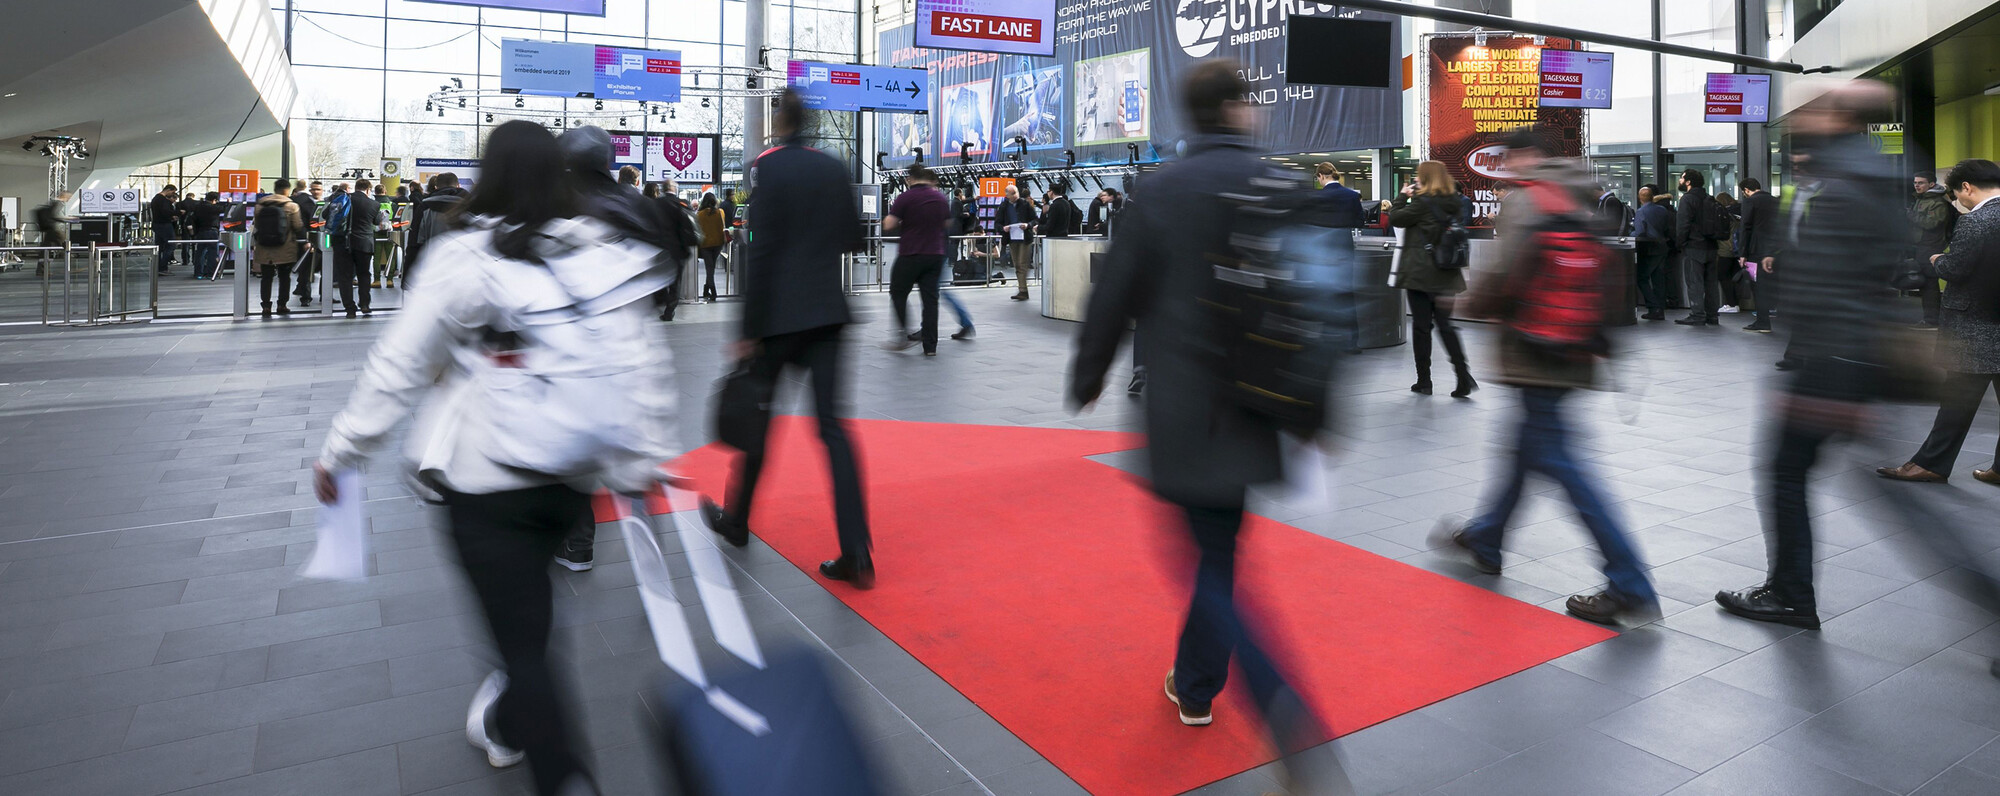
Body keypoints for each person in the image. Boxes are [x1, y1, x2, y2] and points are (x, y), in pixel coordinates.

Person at [315, 120, 674, 796]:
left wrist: (344, 450)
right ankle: (510, 723)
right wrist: (641, 460)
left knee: (522, 644)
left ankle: (565, 776)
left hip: (484, 484)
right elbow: (638, 359)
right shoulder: (596, 250)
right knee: (528, 620)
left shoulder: (466, 255)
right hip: (569, 476)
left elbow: (401, 365)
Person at [1067, 62, 1338, 787]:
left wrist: (1088, 375)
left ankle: (1280, 704)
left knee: (1207, 562)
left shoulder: (1159, 192)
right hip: (1260, 403)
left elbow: (1113, 294)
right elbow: (1321, 302)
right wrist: (1319, 407)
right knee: (1220, 549)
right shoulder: (1285, 186)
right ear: (1234, 110)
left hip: (1184, 407)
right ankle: (1193, 684)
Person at [1436, 126, 1659, 626]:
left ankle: (1629, 582)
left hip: (1535, 349)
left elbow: (1505, 274)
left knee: (1564, 465)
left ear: (1529, 156)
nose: (1506, 168)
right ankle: (1486, 538)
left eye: (1510, 158)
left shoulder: (1528, 201)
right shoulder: (1581, 196)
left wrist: (1465, 301)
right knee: (1522, 450)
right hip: (1574, 347)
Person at [1714, 81, 1907, 630]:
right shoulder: (1860, 176)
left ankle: (1791, 594)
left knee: (1786, 472)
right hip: (1847, 358)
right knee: (1890, 503)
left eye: (1820, 108)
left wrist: (1823, 372)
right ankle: (1790, 591)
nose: (1807, 116)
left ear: (1842, 119)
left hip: (1834, 363)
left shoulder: (1842, 187)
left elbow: (1834, 285)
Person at [701, 89, 875, 587]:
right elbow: (852, 239)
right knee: (835, 432)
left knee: (759, 420)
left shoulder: (768, 169)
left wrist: (747, 330)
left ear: (779, 122)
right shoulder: (834, 167)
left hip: (778, 318)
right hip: (827, 314)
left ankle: (736, 522)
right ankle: (857, 553)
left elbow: (762, 251)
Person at [1877, 159, 2000, 485]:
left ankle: (1929, 464)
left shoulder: (1976, 222)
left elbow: (1956, 268)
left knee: (1956, 404)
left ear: (1967, 188)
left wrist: (1937, 259)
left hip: (1976, 327)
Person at [1389, 161, 1476, 398]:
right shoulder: (1454, 202)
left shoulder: (1420, 203)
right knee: (1446, 326)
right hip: (1447, 273)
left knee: (1421, 328)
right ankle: (1463, 376)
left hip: (1420, 273)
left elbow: (1395, 218)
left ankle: (1424, 381)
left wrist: (1401, 196)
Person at [883, 165, 951, 355]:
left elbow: (889, 224)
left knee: (898, 292)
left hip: (911, 253)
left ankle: (903, 335)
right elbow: (946, 223)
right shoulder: (940, 198)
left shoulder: (905, 197)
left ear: (910, 179)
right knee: (930, 300)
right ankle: (930, 346)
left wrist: (905, 222)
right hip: (935, 254)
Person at [250, 180, 306, 318]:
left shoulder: (260, 205)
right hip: (285, 247)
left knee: (266, 277)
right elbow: (298, 226)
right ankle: (282, 305)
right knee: (284, 277)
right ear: (287, 190)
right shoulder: (291, 206)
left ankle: (266, 306)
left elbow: (256, 224)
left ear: (275, 189)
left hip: (264, 247)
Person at [1674, 170, 1722, 325]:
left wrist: (1680, 243)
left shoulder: (1687, 199)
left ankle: (1697, 315)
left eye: (1682, 178)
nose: (1680, 181)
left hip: (1694, 246)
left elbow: (1683, 225)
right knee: (1711, 283)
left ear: (1688, 182)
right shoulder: (1709, 198)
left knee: (1695, 282)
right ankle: (1712, 315)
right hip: (1712, 246)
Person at [1911, 169, 1957, 329]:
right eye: (1915, 182)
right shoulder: (1922, 199)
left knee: (1929, 283)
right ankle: (1930, 319)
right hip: (1923, 245)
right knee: (1926, 283)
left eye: (1921, 182)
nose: (1917, 185)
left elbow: (1931, 223)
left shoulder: (1937, 201)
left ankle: (1931, 320)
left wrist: (1911, 216)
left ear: (1931, 184)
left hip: (1931, 245)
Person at [404, 172, 468, 284]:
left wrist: (407, 278)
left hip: (432, 271)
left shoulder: (424, 207)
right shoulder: (472, 207)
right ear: (458, 186)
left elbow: (415, 243)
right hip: (465, 272)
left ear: (436, 187)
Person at [1738, 178, 1781, 333]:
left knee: (1758, 287)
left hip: (1756, 250)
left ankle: (1762, 322)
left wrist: (1742, 253)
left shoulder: (1751, 202)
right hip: (1775, 250)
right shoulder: (1775, 201)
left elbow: (1746, 228)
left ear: (1746, 190)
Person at [336, 179, 381, 318]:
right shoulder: (374, 204)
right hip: (364, 244)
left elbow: (326, 215)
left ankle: (350, 309)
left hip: (343, 243)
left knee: (345, 277)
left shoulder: (343, 200)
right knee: (364, 274)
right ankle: (365, 305)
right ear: (368, 189)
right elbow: (377, 221)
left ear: (355, 188)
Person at [1632, 185, 1673, 320]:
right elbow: (1667, 228)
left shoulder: (1641, 212)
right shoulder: (1662, 210)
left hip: (1648, 248)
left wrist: (1630, 233)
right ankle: (1660, 309)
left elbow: (1640, 232)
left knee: (1642, 278)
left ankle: (1653, 306)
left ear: (1640, 198)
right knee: (1658, 279)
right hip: (1662, 247)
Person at [998, 182, 1037, 300]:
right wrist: (1003, 228)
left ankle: (1023, 289)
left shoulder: (1025, 204)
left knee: (1022, 263)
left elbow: (1035, 219)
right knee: (1017, 265)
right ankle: (1022, 290)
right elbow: (998, 223)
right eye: (1012, 194)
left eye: (1016, 193)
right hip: (1012, 238)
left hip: (1025, 238)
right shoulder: (1004, 206)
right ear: (1007, 195)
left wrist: (1028, 225)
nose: (1015, 195)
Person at [1713, 192, 1746, 313]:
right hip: (1739, 249)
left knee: (1722, 275)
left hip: (1725, 249)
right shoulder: (1740, 212)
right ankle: (1736, 303)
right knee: (1734, 277)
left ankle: (1731, 304)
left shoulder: (1724, 214)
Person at [33, 190, 72, 277]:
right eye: (68, 196)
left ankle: (41, 270)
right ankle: (71, 266)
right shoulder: (58, 203)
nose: (69, 198)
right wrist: (66, 219)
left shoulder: (52, 202)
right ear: (64, 195)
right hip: (55, 230)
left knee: (45, 250)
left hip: (49, 230)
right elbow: (54, 216)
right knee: (66, 247)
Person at [696, 193, 727, 301]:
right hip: (718, 244)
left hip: (705, 244)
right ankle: (706, 290)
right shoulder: (720, 212)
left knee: (710, 268)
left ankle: (713, 292)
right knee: (711, 268)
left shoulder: (699, 214)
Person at [187, 191, 225, 280]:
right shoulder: (213, 207)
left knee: (200, 252)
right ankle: (210, 273)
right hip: (212, 231)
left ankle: (198, 273)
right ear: (214, 200)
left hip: (200, 231)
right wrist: (229, 202)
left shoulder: (198, 206)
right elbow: (224, 209)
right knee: (212, 253)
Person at [150, 185, 181, 275]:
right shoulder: (162, 200)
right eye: (173, 192)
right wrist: (177, 212)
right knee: (171, 245)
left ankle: (159, 267)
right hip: (164, 225)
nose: (173, 194)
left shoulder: (156, 198)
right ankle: (163, 267)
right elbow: (165, 212)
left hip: (157, 224)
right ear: (168, 190)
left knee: (159, 246)